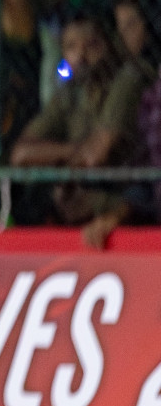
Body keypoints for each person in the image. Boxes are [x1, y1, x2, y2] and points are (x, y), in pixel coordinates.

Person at [12, 13, 152, 240]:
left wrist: (58, 159)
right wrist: (73, 157)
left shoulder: (129, 79)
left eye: (92, 46)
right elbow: (20, 153)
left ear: (110, 44)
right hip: (80, 188)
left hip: (132, 192)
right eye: (71, 47)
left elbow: (97, 156)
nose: (81, 57)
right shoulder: (70, 92)